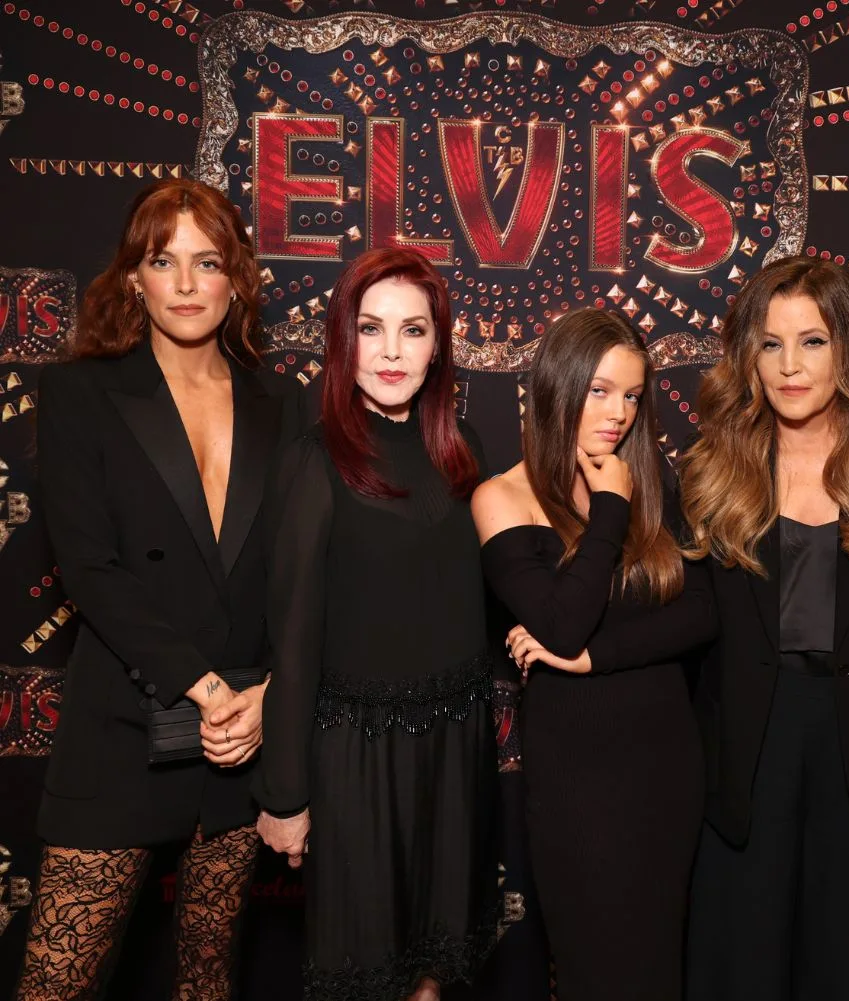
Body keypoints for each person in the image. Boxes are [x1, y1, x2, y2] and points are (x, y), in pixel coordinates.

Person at [16, 178, 301, 1000]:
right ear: (132, 277)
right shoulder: (80, 393)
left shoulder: (283, 404)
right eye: (161, 260)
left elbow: (302, 572)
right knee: (54, 984)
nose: (184, 284)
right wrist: (212, 689)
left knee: (207, 976)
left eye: (206, 261)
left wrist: (268, 697)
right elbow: (91, 569)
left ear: (237, 277)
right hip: (124, 727)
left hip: (237, 745)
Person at [681, 256, 849, 1001]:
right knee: (741, 963)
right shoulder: (713, 465)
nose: (790, 366)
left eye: (813, 341)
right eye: (770, 344)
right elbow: (681, 620)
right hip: (745, 744)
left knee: (847, 964)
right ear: (748, 355)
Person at [254, 247, 497, 1001]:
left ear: (439, 343)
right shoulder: (315, 458)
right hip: (355, 758)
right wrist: (286, 794)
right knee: (364, 979)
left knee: (432, 976)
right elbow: (291, 639)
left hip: (453, 749)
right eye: (371, 327)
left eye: (413, 330)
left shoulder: (462, 452)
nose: (391, 351)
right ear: (342, 338)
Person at [471, 308, 715, 1001]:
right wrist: (610, 508)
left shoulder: (649, 478)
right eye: (601, 390)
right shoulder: (502, 497)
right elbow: (563, 620)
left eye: (633, 396)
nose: (619, 413)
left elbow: (703, 611)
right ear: (559, 384)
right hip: (580, 783)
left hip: (665, 769)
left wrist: (593, 659)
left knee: (657, 975)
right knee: (593, 975)